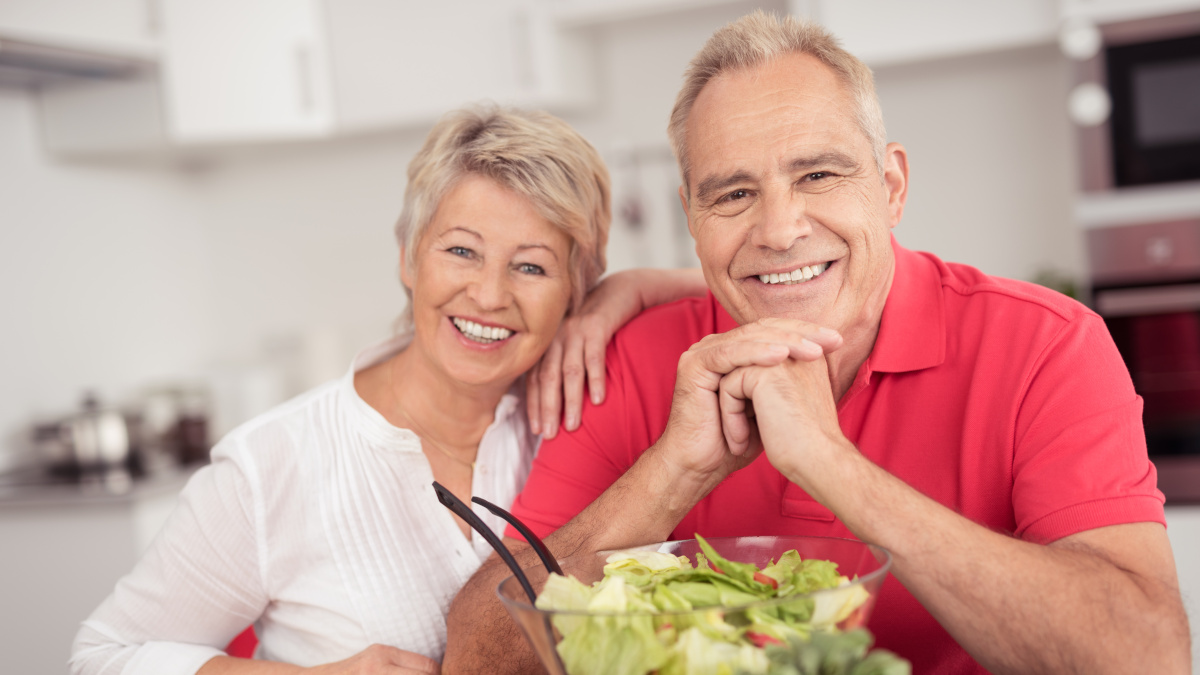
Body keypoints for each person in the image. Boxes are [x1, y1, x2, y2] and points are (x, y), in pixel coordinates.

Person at [442, 12, 1191, 675]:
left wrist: (831, 464)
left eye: (820, 174)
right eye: (733, 194)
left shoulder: (1046, 347)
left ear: (891, 186)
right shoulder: (630, 360)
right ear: (692, 216)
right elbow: (476, 661)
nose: (778, 229)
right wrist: (676, 466)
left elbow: (1144, 658)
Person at [69, 106, 708, 675]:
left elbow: (759, 287)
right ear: (407, 257)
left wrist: (635, 286)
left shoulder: (579, 416)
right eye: (461, 251)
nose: (488, 294)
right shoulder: (271, 463)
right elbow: (101, 656)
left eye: (531, 266)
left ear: (577, 288)